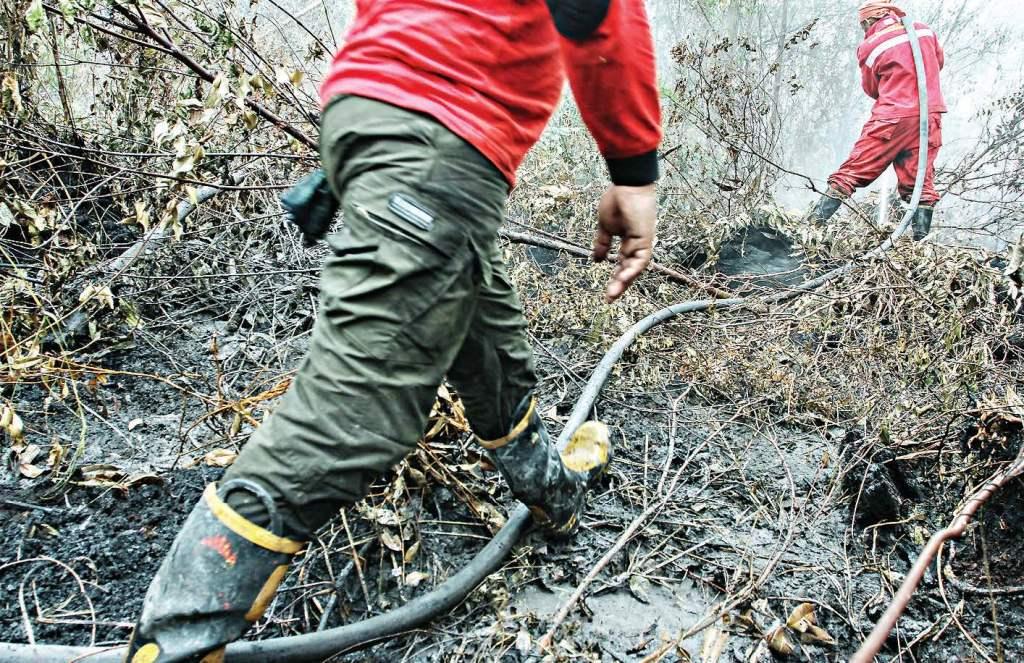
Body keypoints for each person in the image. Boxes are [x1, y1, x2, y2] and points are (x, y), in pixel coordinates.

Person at [124, 1, 661, 660]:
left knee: (489, 347)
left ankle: (553, 492)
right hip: (442, 131)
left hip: (374, 110)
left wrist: (380, 137)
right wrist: (634, 171)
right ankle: (174, 642)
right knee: (353, 415)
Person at [810, 0, 945, 240]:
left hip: (891, 119)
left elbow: (872, 88)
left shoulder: (871, 44)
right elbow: (937, 64)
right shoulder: (924, 30)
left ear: (868, 20)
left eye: (863, 26)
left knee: (852, 171)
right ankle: (921, 247)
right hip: (928, 116)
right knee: (920, 184)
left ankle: (809, 228)